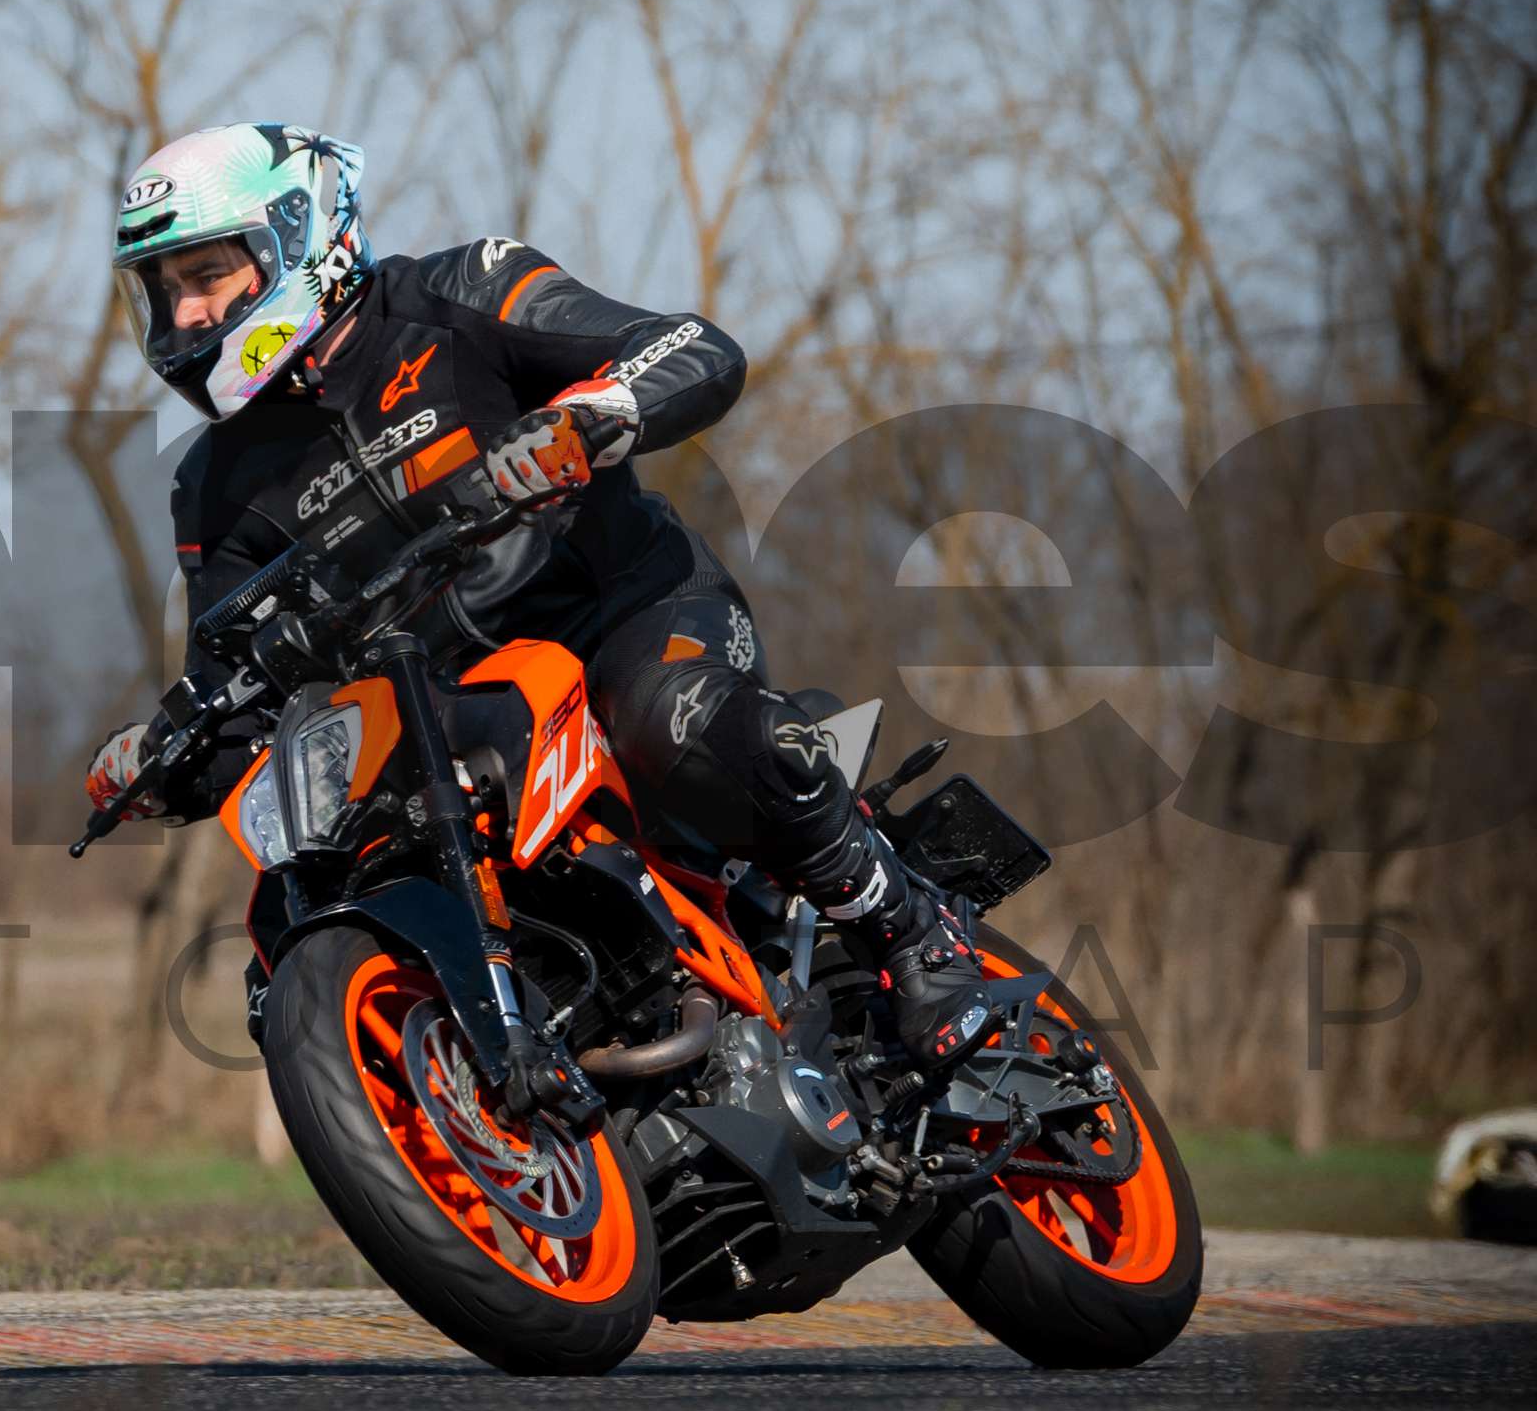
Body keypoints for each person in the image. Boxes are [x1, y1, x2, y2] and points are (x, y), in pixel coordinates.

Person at [83, 123, 994, 1071]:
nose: (186, 312)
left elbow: (689, 346)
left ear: (298, 235)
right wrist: (160, 756)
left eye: (206, 274)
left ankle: (911, 932)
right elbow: (235, 687)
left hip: (624, 615)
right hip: (451, 720)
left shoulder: (463, 289)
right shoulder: (211, 487)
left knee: (670, 720)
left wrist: (587, 417)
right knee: (292, 914)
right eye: (163, 288)